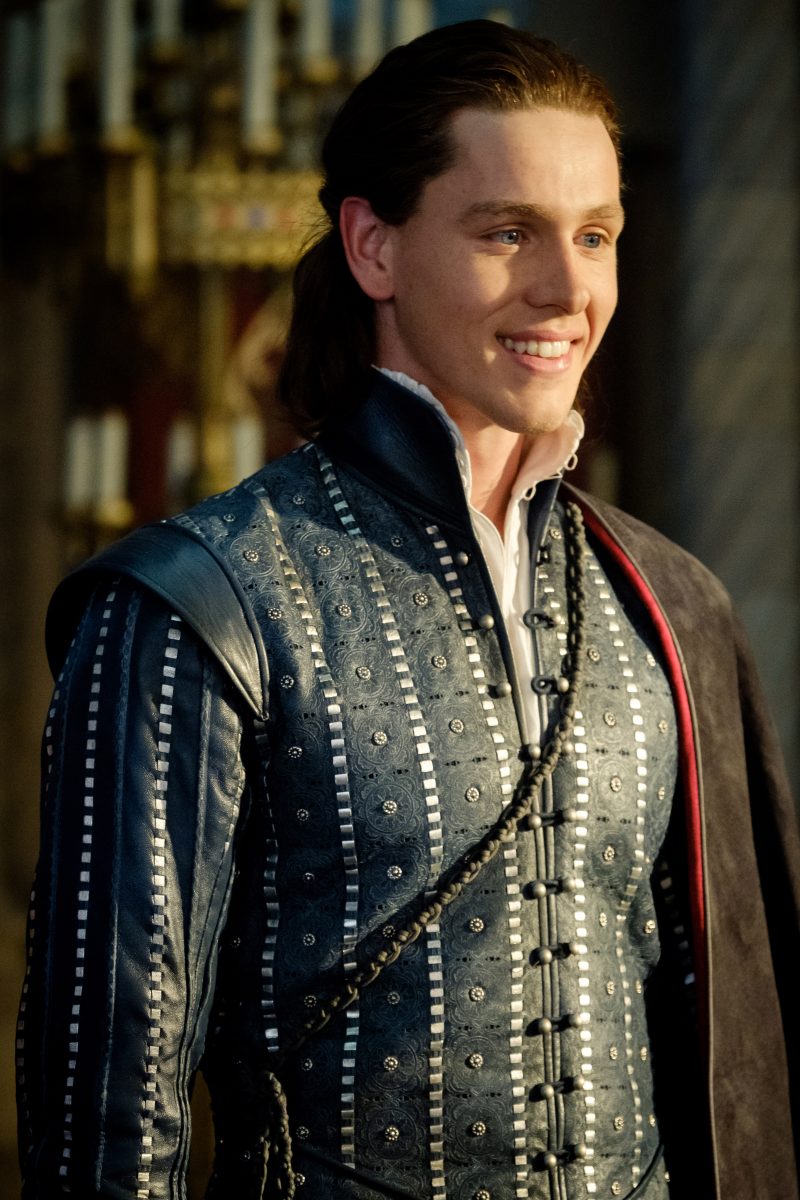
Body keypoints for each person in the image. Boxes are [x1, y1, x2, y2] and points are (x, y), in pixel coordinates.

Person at [17, 20, 800, 1200]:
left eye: (594, 235)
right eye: (506, 232)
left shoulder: (671, 601)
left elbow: (738, 1063)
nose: (566, 288)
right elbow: (107, 1115)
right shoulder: (193, 602)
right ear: (372, 248)